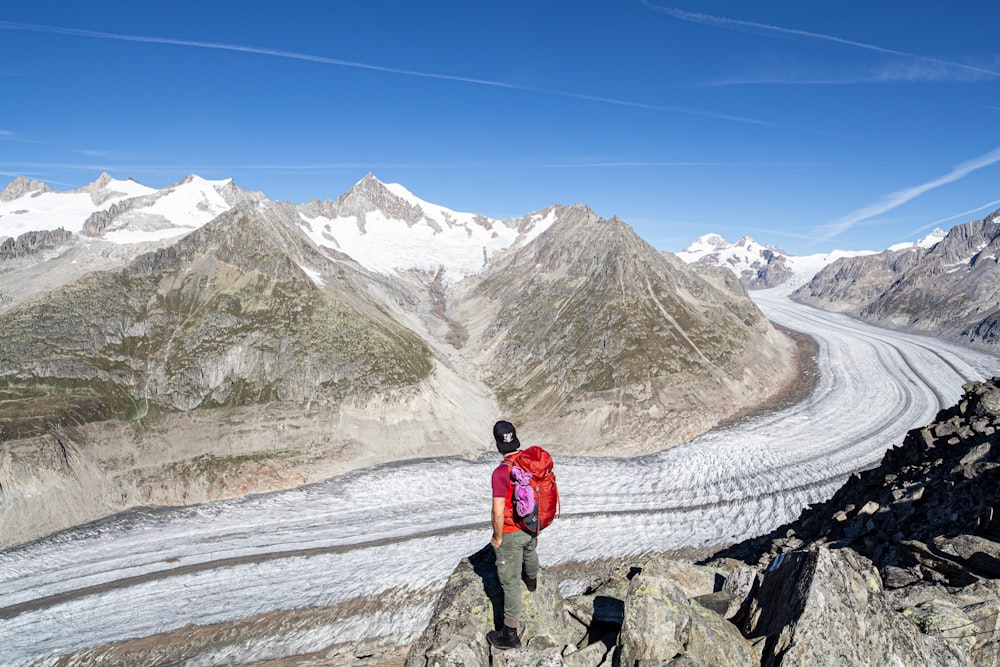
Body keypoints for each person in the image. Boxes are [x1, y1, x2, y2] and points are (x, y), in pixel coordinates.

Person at [487, 419, 539, 650]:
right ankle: (532, 580)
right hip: (531, 525)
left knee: (509, 584)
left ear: (497, 443)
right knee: (530, 550)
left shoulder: (501, 472)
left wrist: (497, 537)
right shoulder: (530, 463)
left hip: (510, 530)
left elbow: (498, 511)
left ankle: (509, 634)